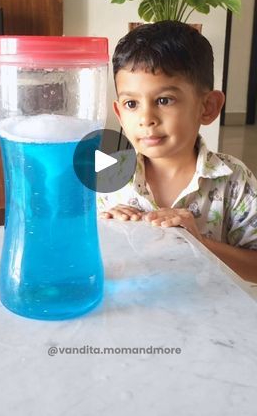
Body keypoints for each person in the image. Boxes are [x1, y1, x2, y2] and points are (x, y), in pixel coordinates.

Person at [97, 21, 257, 282]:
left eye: (164, 100)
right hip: (133, 313)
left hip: (212, 315)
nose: (146, 118)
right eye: (131, 104)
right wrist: (107, 230)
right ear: (119, 113)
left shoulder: (235, 181)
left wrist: (199, 243)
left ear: (207, 107)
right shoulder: (107, 174)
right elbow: (85, 251)